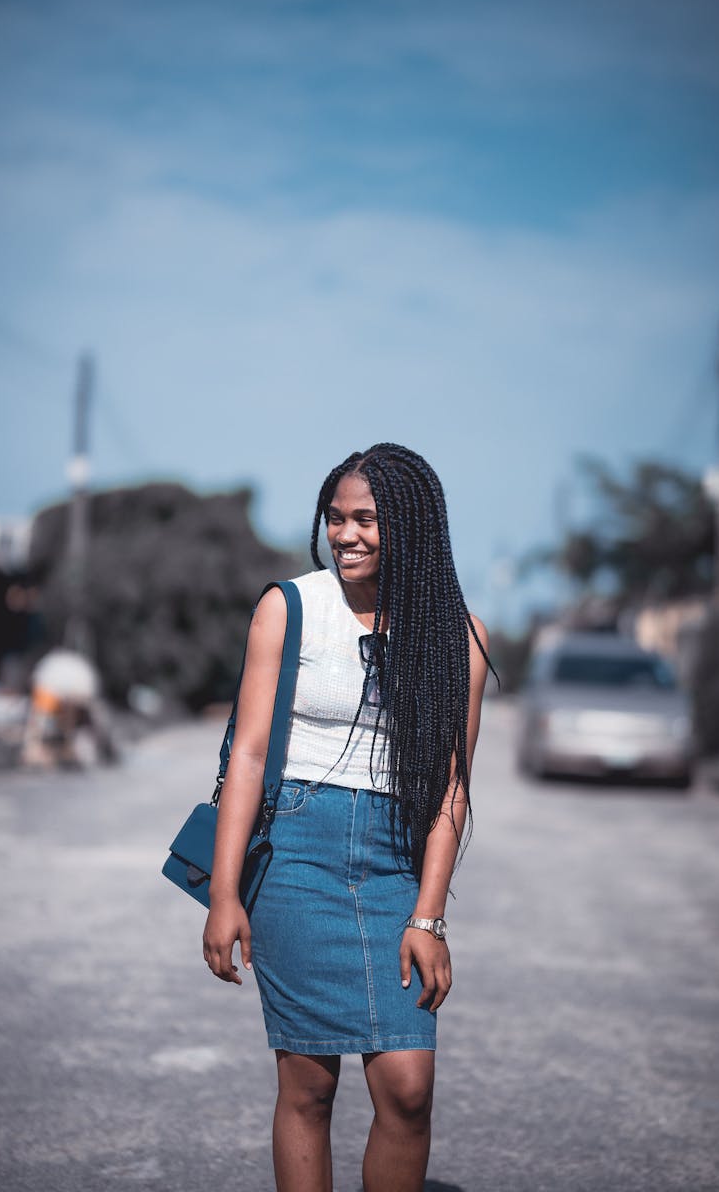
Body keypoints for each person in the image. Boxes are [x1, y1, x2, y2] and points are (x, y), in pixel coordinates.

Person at [203, 442, 490, 1192]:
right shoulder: (288, 608)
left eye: (365, 519)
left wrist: (427, 917)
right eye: (335, 518)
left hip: (397, 860)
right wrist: (225, 893)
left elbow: (452, 788)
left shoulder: (458, 636)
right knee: (308, 1084)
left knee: (407, 1087)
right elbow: (251, 758)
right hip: (297, 855)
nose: (345, 535)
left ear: (410, 527)